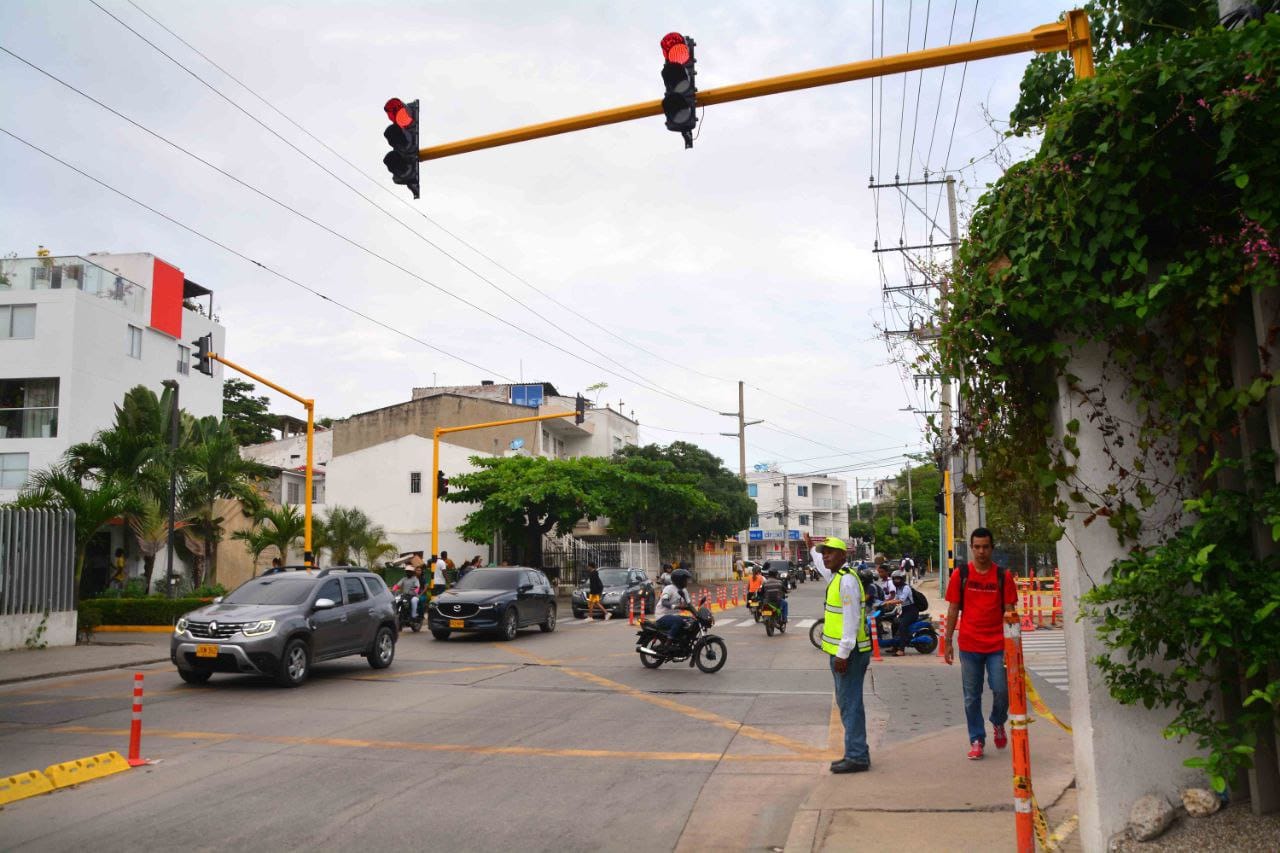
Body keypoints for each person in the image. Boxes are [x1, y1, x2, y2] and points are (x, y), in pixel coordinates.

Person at [944, 527, 1018, 760]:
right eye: (977, 547)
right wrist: (947, 641)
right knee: (971, 696)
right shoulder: (961, 574)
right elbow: (953, 609)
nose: (981, 551)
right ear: (971, 548)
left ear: (992, 548)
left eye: (985, 547)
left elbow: (1010, 612)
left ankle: (998, 720)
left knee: (1001, 690)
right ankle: (976, 739)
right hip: (969, 645)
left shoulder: (1003, 576)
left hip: (997, 645)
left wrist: (1013, 647)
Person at [807, 533, 872, 774]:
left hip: (849, 654)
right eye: (823, 553)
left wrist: (843, 654)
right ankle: (858, 752)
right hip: (842, 653)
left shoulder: (846, 581)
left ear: (843, 556)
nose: (825, 557)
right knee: (847, 703)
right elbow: (820, 564)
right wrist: (811, 548)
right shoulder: (836, 576)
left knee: (850, 704)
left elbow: (851, 620)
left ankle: (857, 756)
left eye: (830, 553)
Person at [650, 567, 695, 645]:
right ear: (679, 580)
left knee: (692, 621)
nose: (687, 582)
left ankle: (681, 641)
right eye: (685, 580)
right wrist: (677, 607)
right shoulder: (669, 588)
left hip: (674, 615)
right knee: (678, 621)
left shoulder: (684, 590)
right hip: (662, 616)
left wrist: (698, 615)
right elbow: (664, 602)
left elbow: (689, 605)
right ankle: (668, 642)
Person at [882, 569, 917, 656]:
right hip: (904, 611)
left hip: (911, 611)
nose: (896, 581)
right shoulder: (898, 588)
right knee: (894, 623)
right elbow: (895, 599)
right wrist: (884, 602)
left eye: (898, 579)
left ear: (902, 579)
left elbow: (901, 600)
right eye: (894, 579)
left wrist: (889, 602)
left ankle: (901, 650)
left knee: (902, 626)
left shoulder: (906, 588)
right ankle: (895, 646)